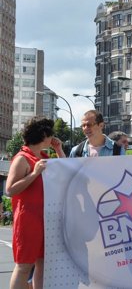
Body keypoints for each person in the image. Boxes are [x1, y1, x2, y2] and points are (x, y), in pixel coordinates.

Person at [7, 117, 65, 289]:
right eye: (51, 134)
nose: (53, 137)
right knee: (24, 266)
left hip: (45, 218)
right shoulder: (22, 158)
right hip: (28, 219)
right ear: (44, 135)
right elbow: (10, 189)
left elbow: (67, 172)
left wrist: (59, 149)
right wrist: (34, 174)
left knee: (42, 263)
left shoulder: (43, 155)